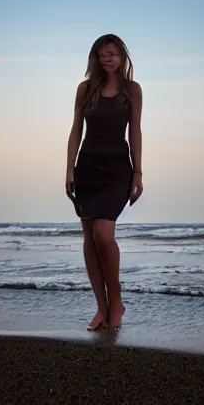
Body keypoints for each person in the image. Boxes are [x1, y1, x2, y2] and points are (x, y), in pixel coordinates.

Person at [65, 34, 143, 331]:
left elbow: (135, 132)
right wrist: (69, 169)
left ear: (122, 57)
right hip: (87, 167)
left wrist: (138, 172)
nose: (106, 59)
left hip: (117, 168)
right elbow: (75, 131)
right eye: (101, 54)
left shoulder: (132, 90)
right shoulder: (85, 89)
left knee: (103, 233)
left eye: (111, 54)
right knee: (89, 236)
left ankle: (117, 300)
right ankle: (101, 307)